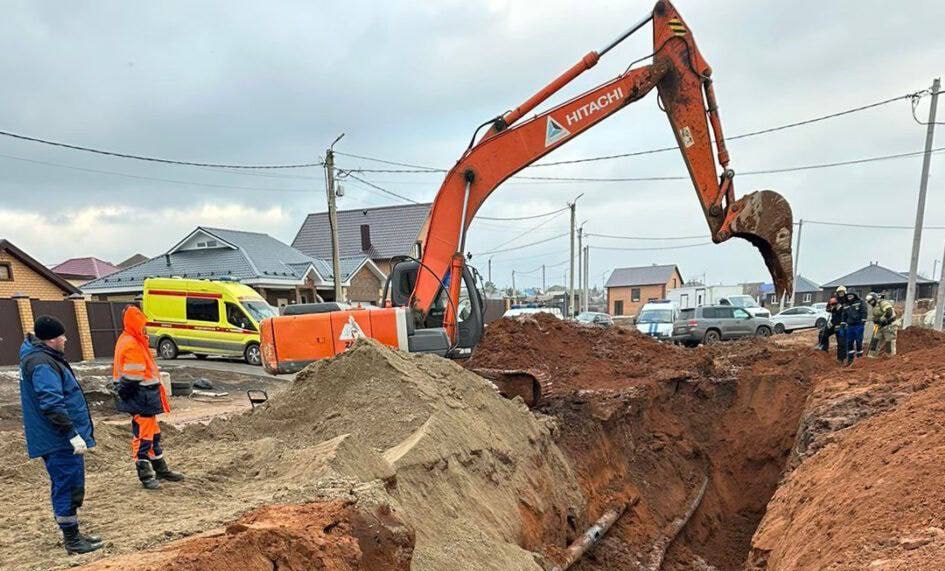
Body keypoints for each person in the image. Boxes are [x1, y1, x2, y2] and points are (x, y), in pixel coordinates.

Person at [19, 315, 103, 554]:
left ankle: (74, 534)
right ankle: (72, 541)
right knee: (67, 485)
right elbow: (52, 404)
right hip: (58, 439)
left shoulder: (44, 358)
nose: (66, 339)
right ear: (51, 339)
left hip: (56, 437)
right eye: (62, 336)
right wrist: (71, 433)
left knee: (70, 483)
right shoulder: (42, 363)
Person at [113, 306, 184, 489]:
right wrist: (125, 396)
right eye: (142, 324)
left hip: (144, 397)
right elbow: (133, 377)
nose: (146, 328)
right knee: (143, 438)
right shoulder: (132, 343)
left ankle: (160, 469)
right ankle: (145, 475)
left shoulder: (133, 340)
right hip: (140, 398)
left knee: (153, 435)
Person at [867, 293, 900, 357]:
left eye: (872, 301)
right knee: (875, 341)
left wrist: (881, 319)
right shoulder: (874, 308)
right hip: (879, 326)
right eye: (869, 302)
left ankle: (890, 357)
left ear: (875, 299)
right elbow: (874, 317)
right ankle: (871, 356)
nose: (871, 303)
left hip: (889, 325)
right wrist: (875, 321)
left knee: (889, 342)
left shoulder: (882, 303)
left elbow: (889, 312)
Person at [841, 289, 868, 365]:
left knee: (859, 341)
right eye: (848, 295)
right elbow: (844, 315)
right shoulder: (845, 305)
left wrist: (863, 321)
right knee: (849, 342)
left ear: (854, 295)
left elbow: (864, 311)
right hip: (850, 326)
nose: (849, 297)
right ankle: (850, 359)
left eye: (851, 295)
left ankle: (859, 359)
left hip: (858, 325)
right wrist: (842, 324)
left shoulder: (860, 302)